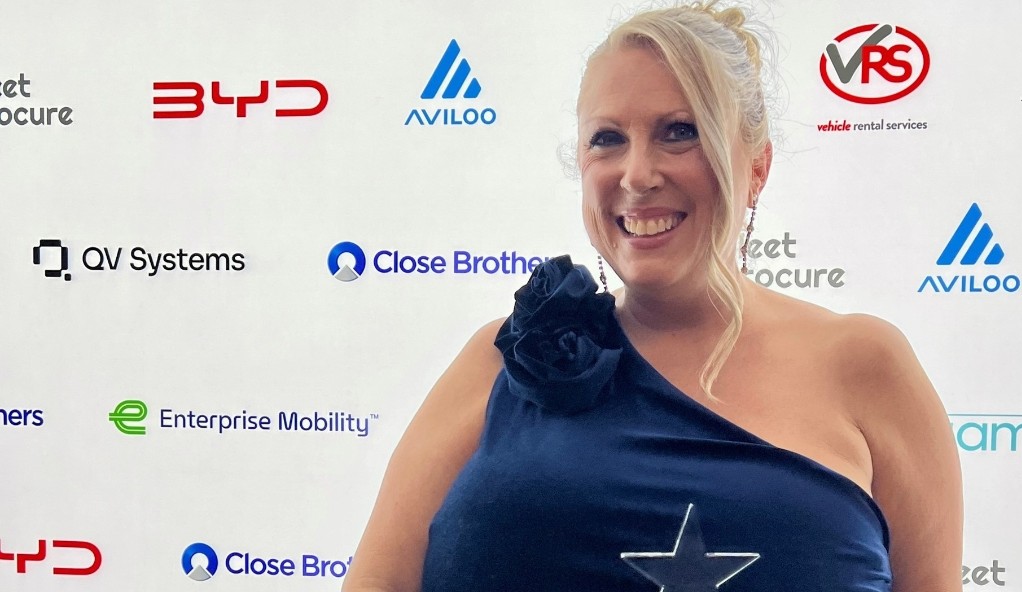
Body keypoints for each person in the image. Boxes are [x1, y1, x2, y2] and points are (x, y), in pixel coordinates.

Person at [344, 3, 961, 591]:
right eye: (607, 139)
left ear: (756, 167)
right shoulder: (501, 358)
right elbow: (378, 580)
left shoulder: (865, 362)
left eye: (679, 132)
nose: (637, 175)